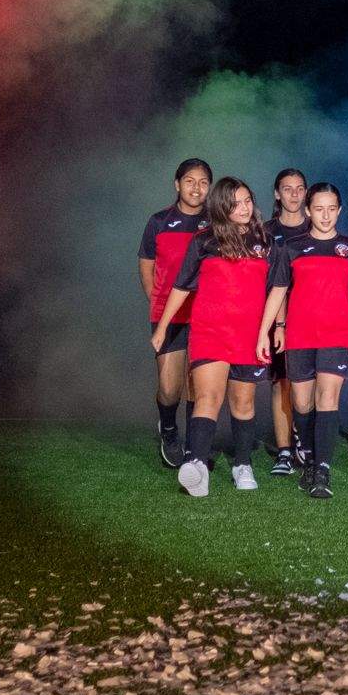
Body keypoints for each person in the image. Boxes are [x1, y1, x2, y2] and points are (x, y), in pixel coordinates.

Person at [152, 176, 272, 498]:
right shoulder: (204, 241)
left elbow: (278, 290)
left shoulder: (266, 240)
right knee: (208, 397)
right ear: (222, 206)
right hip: (210, 330)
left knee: (243, 403)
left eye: (247, 200)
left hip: (249, 333)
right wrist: (163, 327)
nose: (244, 208)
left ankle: (242, 464)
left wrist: (274, 330)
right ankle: (198, 466)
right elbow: (181, 286)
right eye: (235, 203)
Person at [257, 183, 348, 500]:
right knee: (301, 403)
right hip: (300, 335)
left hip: (337, 334)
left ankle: (321, 469)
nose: (326, 215)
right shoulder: (292, 247)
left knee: (328, 398)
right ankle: (311, 457)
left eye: (332, 209)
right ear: (308, 211)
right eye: (319, 208)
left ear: (339, 211)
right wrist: (265, 330)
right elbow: (278, 290)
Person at [139, 158, 211, 469]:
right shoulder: (158, 221)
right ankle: (168, 429)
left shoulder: (215, 223)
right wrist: (157, 303)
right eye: (190, 181)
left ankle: (195, 447)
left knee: (198, 384)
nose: (197, 188)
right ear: (177, 184)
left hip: (206, 315)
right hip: (168, 315)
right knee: (170, 388)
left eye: (204, 182)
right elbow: (146, 263)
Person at [263, 168, 310, 476]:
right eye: (287, 188)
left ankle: (304, 441)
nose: (294, 193)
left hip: (313, 318)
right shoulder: (265, 232)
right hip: (277, 320)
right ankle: (283, 451)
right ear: (277, 194)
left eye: (299, 188)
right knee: (281, 383)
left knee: (309, 385)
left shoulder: (319, 226)